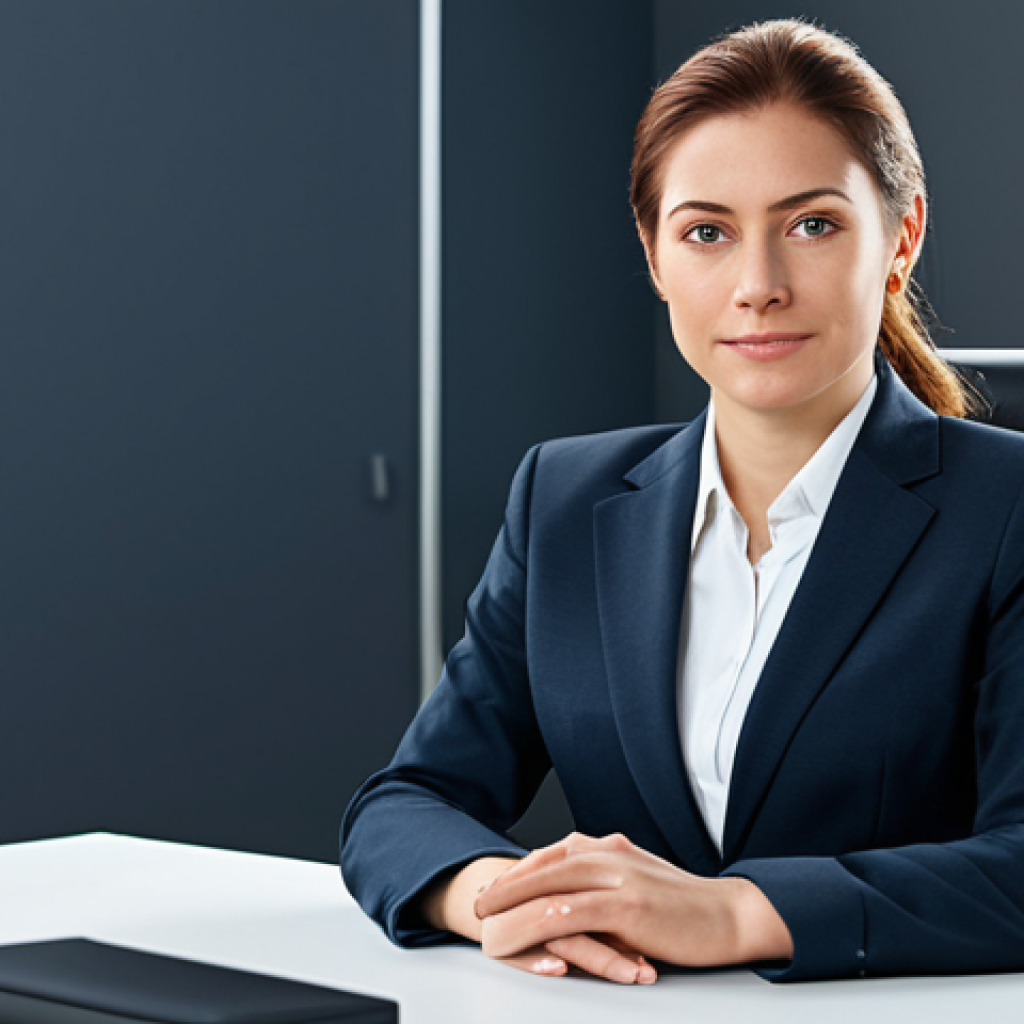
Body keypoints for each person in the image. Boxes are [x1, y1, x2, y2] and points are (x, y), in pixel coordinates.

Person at [340, 19, 1024, 984]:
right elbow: (404, 803)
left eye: (813, 225)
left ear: (900, 237)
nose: (757, 286)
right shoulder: (564, 500)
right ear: (657, 259)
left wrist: (739, 913)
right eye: (707, 232)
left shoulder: (1005, 512)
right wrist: (503, 897)